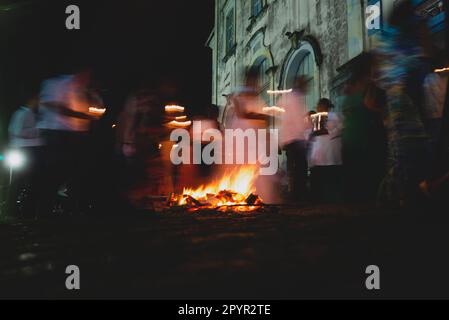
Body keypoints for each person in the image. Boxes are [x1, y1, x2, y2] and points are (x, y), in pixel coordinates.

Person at [374, 0, 434, 208]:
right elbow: (427, 53)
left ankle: (396, 194)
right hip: (410, 89)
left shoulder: (386, 35)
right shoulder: (415, 25)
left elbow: (380, 71)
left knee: (401, 146)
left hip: (396, 94)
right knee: (414, 142)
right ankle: (404, 194)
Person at [36, 71, 103, 216]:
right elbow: (53, 106)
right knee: (55, 171)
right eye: (86, 75)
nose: (88, 79)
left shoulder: (83, 90)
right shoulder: (56, 84)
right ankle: (44, 210)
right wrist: (84, 116)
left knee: (75, 171)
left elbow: (95, 107)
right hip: (56, 134)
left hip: (76, 135)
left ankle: (69, 207)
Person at [341, 53, 387, 204]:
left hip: (352, 140)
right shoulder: (369, 86)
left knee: (357, 185)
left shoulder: (350, 89)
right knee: (369, 182)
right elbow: (372, 107)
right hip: (366, 139)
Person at [8, 94, 44, 217]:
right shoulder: (22, 113)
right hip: (25, 150)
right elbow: (17, 131)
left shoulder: (32, 114)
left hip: (30, 150)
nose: (39, 103)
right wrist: (39, 131)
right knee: (20, 182)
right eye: (38, 100)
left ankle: (25, 211)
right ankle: (12, 210)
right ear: (32, 100)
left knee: (28, 182)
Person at [278, 76, 309, 202]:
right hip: (295, 139)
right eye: (305, 84)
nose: (307, 87)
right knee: (299, 169)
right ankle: (297, 196)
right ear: (300, 85)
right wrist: (306, 131)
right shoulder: (295, 99)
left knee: (294, 169)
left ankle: (295, 194)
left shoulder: (288, 98)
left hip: (290, 139)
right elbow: (298, 121)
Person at [308, 98, 343, 203]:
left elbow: (341, 128)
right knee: (319, 177)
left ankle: (333, 199)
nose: (318, 108)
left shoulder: (335, 116)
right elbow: (313, 134)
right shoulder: (316, 118)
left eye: (320, 106)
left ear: (325, 106)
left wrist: (328, 131)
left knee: (331, 176)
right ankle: (320, 199)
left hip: (331, 151)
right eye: (318, 106)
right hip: (319, 152)